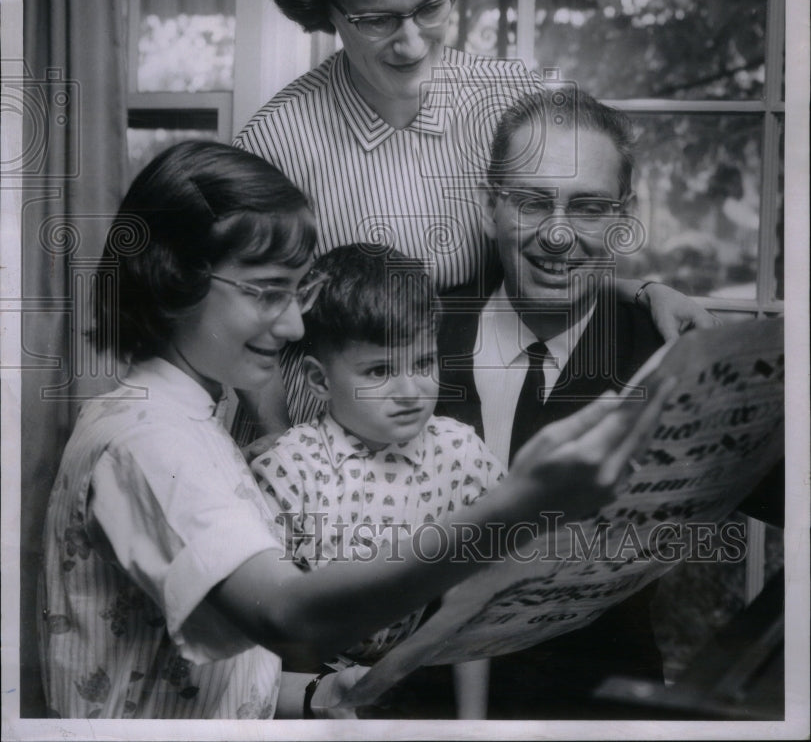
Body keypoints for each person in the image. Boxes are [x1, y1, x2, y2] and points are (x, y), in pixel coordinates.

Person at [38, 141, 665, 720]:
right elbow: (286, 615)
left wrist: (317, 691)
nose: (290, 327)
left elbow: (208, 666)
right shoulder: (150, 440)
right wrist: (511, 507)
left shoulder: (188, 415)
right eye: (267, 293)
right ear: (175, 279)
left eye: (298, 293)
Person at [234, 0, 714, 429]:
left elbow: (548, 243)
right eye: (375, 19)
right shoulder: (274, 143)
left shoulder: (514, 98)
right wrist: (281, 462)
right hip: (321, 454)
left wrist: (641, 292)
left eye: (431, 8)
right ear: (325, 10)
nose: (411, 44)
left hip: (463, 442)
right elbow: (248, 329)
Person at [434, 85, 672, 717]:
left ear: (621, 222)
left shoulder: (665, 353)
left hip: (600, 715)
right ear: (490, 209)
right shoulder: (412, 337)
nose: (559, 235)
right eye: (533, 202)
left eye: (589, 208)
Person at [250, 243, 503, 672]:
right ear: (319, 379)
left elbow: (509, 546)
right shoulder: (290, 469)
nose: (410, 391)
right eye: (379, 371)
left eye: (423, 362)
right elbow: (264, 615)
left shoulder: (458, 450)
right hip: (299, 671)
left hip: (411, 665)